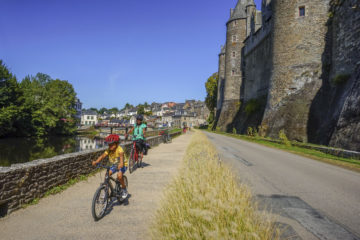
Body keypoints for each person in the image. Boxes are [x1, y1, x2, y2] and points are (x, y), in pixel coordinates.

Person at [92, 134, 128, 199]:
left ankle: (124, 188)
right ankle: (106, 191)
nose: (110, 146)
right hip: (114, 165)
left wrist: (121, 164)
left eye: (112, 144)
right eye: (109, 144)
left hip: (123, 165)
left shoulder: (120, 150)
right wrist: (96, 161)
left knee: (119, 176)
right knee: (107, 175)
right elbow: (102, 156)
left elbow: (121, 160)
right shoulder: (109, 150)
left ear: (116, 143)